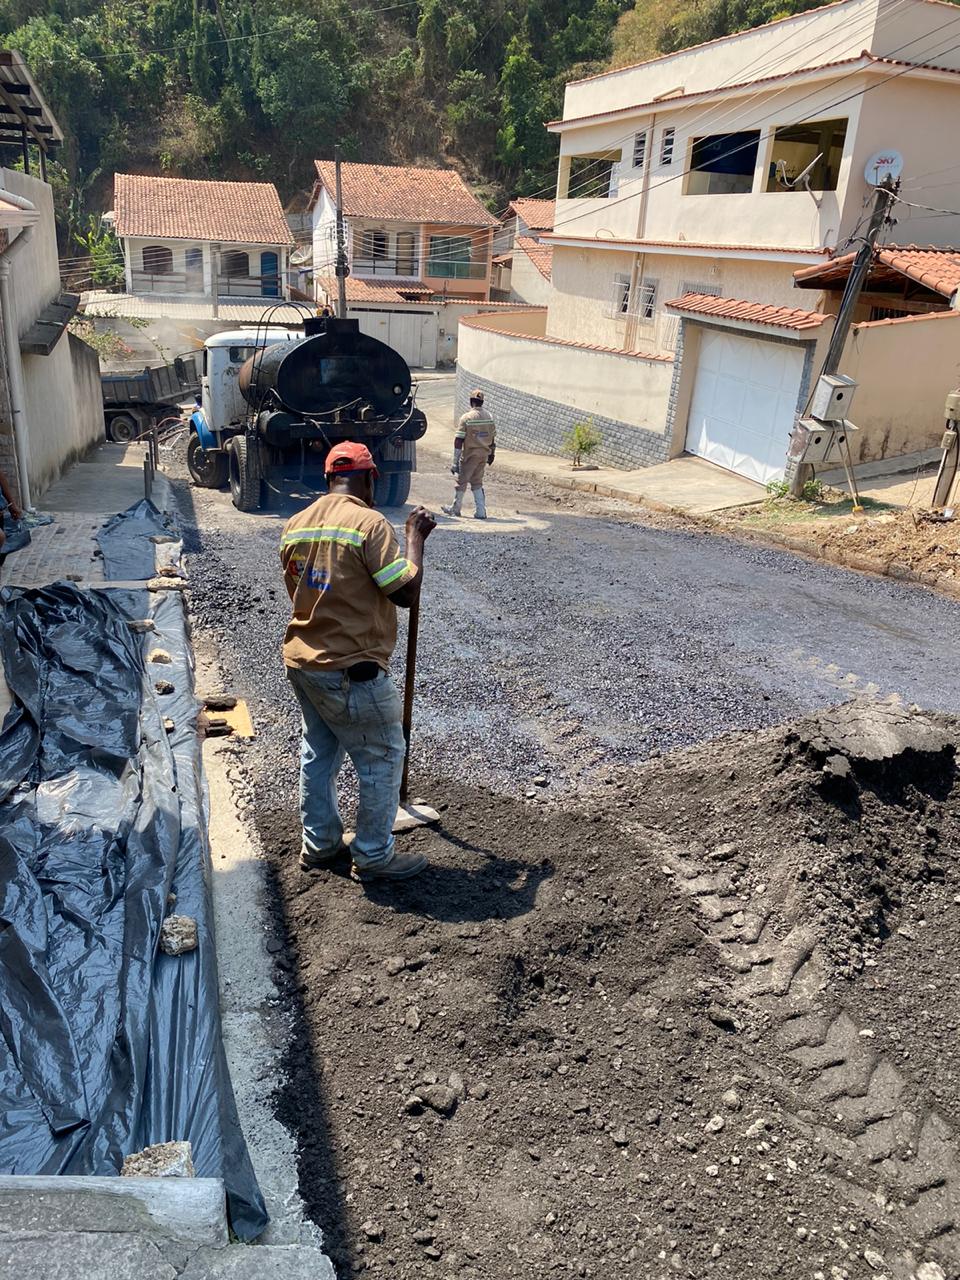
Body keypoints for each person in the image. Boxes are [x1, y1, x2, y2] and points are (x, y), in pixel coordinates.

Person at [280, 441, 436, 881]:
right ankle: (372, 856)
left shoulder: (295, 525)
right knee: (383, 755)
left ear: (329, 479)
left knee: (319, 752)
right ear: (370, 479)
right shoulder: (370, 524)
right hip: (350, 668)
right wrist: (414, 539)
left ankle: (320, 845)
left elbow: (301, 591)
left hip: (304, 662)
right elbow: (404, 592)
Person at [442, 389, 496, 520]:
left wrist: (455, 462)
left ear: (471, 402)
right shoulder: (489, 417)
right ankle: (481, 511)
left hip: (470, 455)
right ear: (482, 402)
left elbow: (458, 440)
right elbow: (493, 438)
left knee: (461, 481)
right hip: (483, 454)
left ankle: (456, 508)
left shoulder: (466, 418)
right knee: (477, 481)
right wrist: (491, 455)